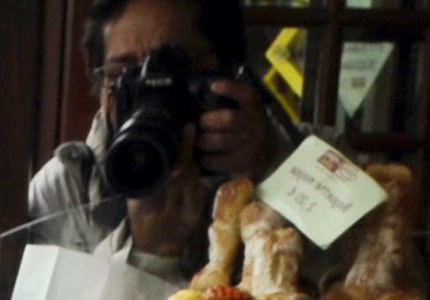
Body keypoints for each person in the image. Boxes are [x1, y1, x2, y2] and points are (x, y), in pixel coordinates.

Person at [27, 0, 292, 277]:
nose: (150, 92)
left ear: (230, 69)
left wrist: (273, 168)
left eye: (172, 68)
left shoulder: (308, 154)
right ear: (102, 86)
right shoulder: (67, 186)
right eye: (123, 74)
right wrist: (146, 251)